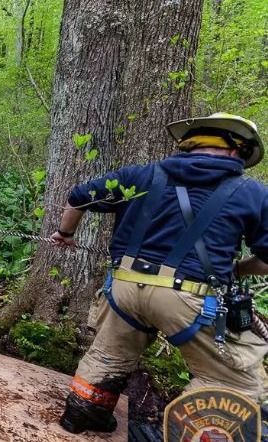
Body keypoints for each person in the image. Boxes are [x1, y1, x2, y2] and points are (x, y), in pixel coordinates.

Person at [50, 113, 268, 435]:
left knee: (109, 354)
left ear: (189, 144)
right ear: (239, 151)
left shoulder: (139, 175)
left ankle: (83, 413)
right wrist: (236, 269)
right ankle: (204, 432)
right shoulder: (254, 193)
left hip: (123, 290)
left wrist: (65, 233)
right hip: (192, 298)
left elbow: (78, 196)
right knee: (232, 377)